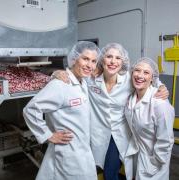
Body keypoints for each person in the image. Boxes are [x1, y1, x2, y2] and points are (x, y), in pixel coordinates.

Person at [52, 43, 168, 180]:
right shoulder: (91, 78)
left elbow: (149, 77)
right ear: (102, 60)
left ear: (123, 62)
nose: (113, 61)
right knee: (96, 167)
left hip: (121, 134)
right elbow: (73, 74)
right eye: (109, 57)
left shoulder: (128, 80)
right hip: (97, 133)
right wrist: (56, 73)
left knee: (111, 169)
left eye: (118, 58)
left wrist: (162, 86)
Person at [23, 41, 100, 180]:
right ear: (74, 58)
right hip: (69, 153)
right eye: (85, 59)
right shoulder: (61, 85)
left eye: (94, 61)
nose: (90, 65)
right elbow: (31, 109)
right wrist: (47, 135)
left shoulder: (83, 82)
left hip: (81, 150)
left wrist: (53, 73)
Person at [125, 57, 174, 180]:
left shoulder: (160, 103)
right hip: (138, 154)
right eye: (137, 70)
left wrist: (155, 163)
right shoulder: (131, 98)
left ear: (153, 78)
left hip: (154, 163)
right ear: (132, 73)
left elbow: (166, 140)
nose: (140, 75)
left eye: (146, 72)